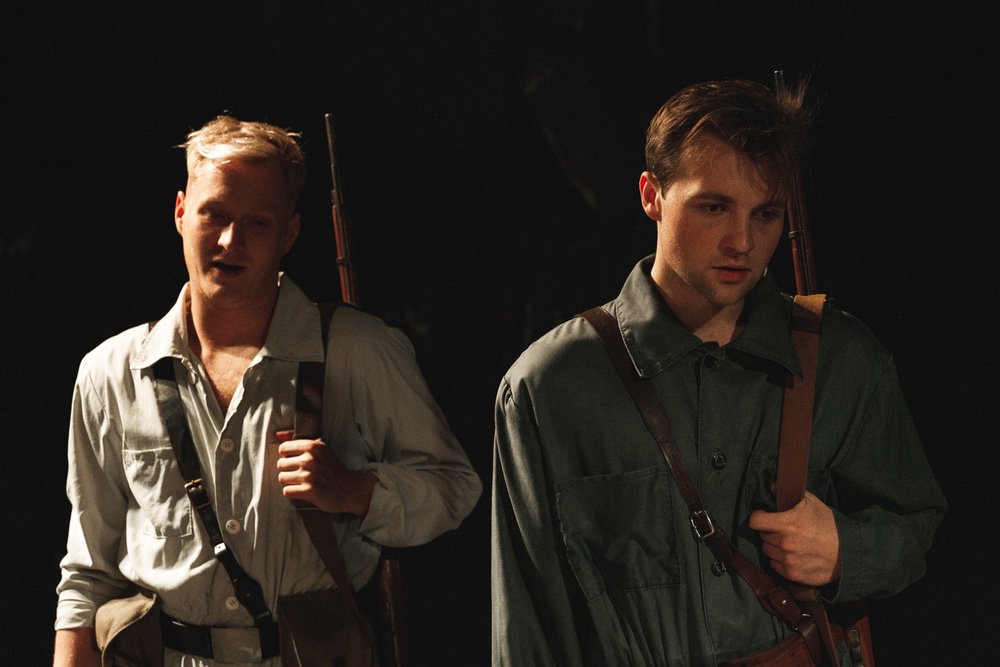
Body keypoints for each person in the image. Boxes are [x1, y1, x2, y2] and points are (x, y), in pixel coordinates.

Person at [491, 79, 946, 665]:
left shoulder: (841, 358)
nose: (743, 242)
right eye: (714, 207)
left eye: (766, 214)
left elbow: (915, 525)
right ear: (652, 196)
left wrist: (846, 552)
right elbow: (528, 623)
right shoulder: (551, 385)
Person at [53, 115, 482, 666]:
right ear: (181, 213)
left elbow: (453, 487)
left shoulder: (357, 349)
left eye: (257, 222)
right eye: (214, 214)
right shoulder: (111, 371)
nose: (230, 241)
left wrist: (355, 490)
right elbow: (88, 568)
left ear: (290, 233)